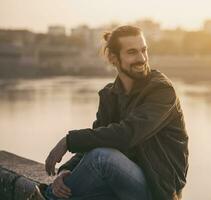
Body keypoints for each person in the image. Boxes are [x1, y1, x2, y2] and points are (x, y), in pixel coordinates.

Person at [30, 25, 189, 200]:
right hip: (121, 183)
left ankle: (47, 197)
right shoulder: (109, 95)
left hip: (159, 190)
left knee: (102, 158)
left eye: (144, 50)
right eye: (132, 52)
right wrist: (67, 170)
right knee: (88, 172)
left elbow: (127, 134)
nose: (142, 58)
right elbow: (96, 141)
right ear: (113, 58)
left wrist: (69, 141)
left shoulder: (161, 90)